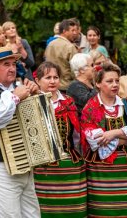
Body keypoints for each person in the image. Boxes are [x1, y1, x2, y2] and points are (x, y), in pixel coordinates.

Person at [0, 46, 41, 218]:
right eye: (6, 64)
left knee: (32, 215)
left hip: (24, 163)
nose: (12, 68)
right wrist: (16, 97)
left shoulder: (13, 89)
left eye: (13, 64)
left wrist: (35, 94)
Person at [81, 62, 127, 217]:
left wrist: (114, 133)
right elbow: (96, 141)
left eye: (117, 80)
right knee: (106, 210)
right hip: (102, 172)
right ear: (98, 83)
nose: (115, 84)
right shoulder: (90, 108)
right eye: (109, 81)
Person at [33, 61, 87, 218]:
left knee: (73, 207)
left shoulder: (68, 101)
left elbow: (76, 133)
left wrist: (78, 152)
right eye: (47, 77)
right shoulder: (32, 103)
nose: (52, 81)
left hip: (70, 162)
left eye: (55, 77)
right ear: (38, 80)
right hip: (44, 166)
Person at [44, 19, 78, 92]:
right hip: (67, 87)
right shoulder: (70, 47)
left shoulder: (50, 44)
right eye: (72, 30)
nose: (75, 33)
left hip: (50, 85)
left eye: (76, 30)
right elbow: (75, 70)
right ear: (64, 31)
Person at [67, 53, 97, 117]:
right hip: (82, 124)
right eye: (92, 65)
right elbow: (89, 102)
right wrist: (97, 82)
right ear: (82, 70)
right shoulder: (74, 86)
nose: (94, 68)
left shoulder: (90, 83)